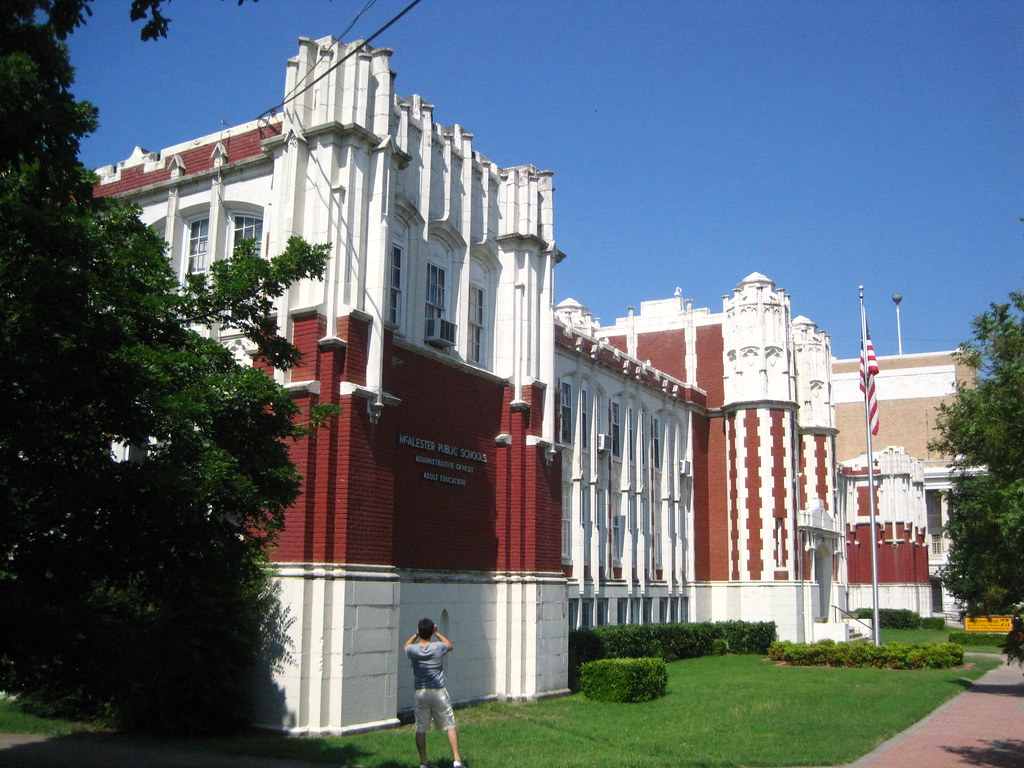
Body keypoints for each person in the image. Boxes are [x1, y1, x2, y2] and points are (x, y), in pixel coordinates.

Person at [404, 618, 464, 768]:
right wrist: (437, 633)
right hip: (438, 691)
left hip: (421, 692)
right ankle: (457, 761)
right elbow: (450, 645)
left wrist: (416, 635)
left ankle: (424, 762)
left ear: (419, 631)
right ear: (431, 631)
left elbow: (405, 647)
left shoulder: (414, 649)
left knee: (421, 728)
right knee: (449, 725)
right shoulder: (437, 647)